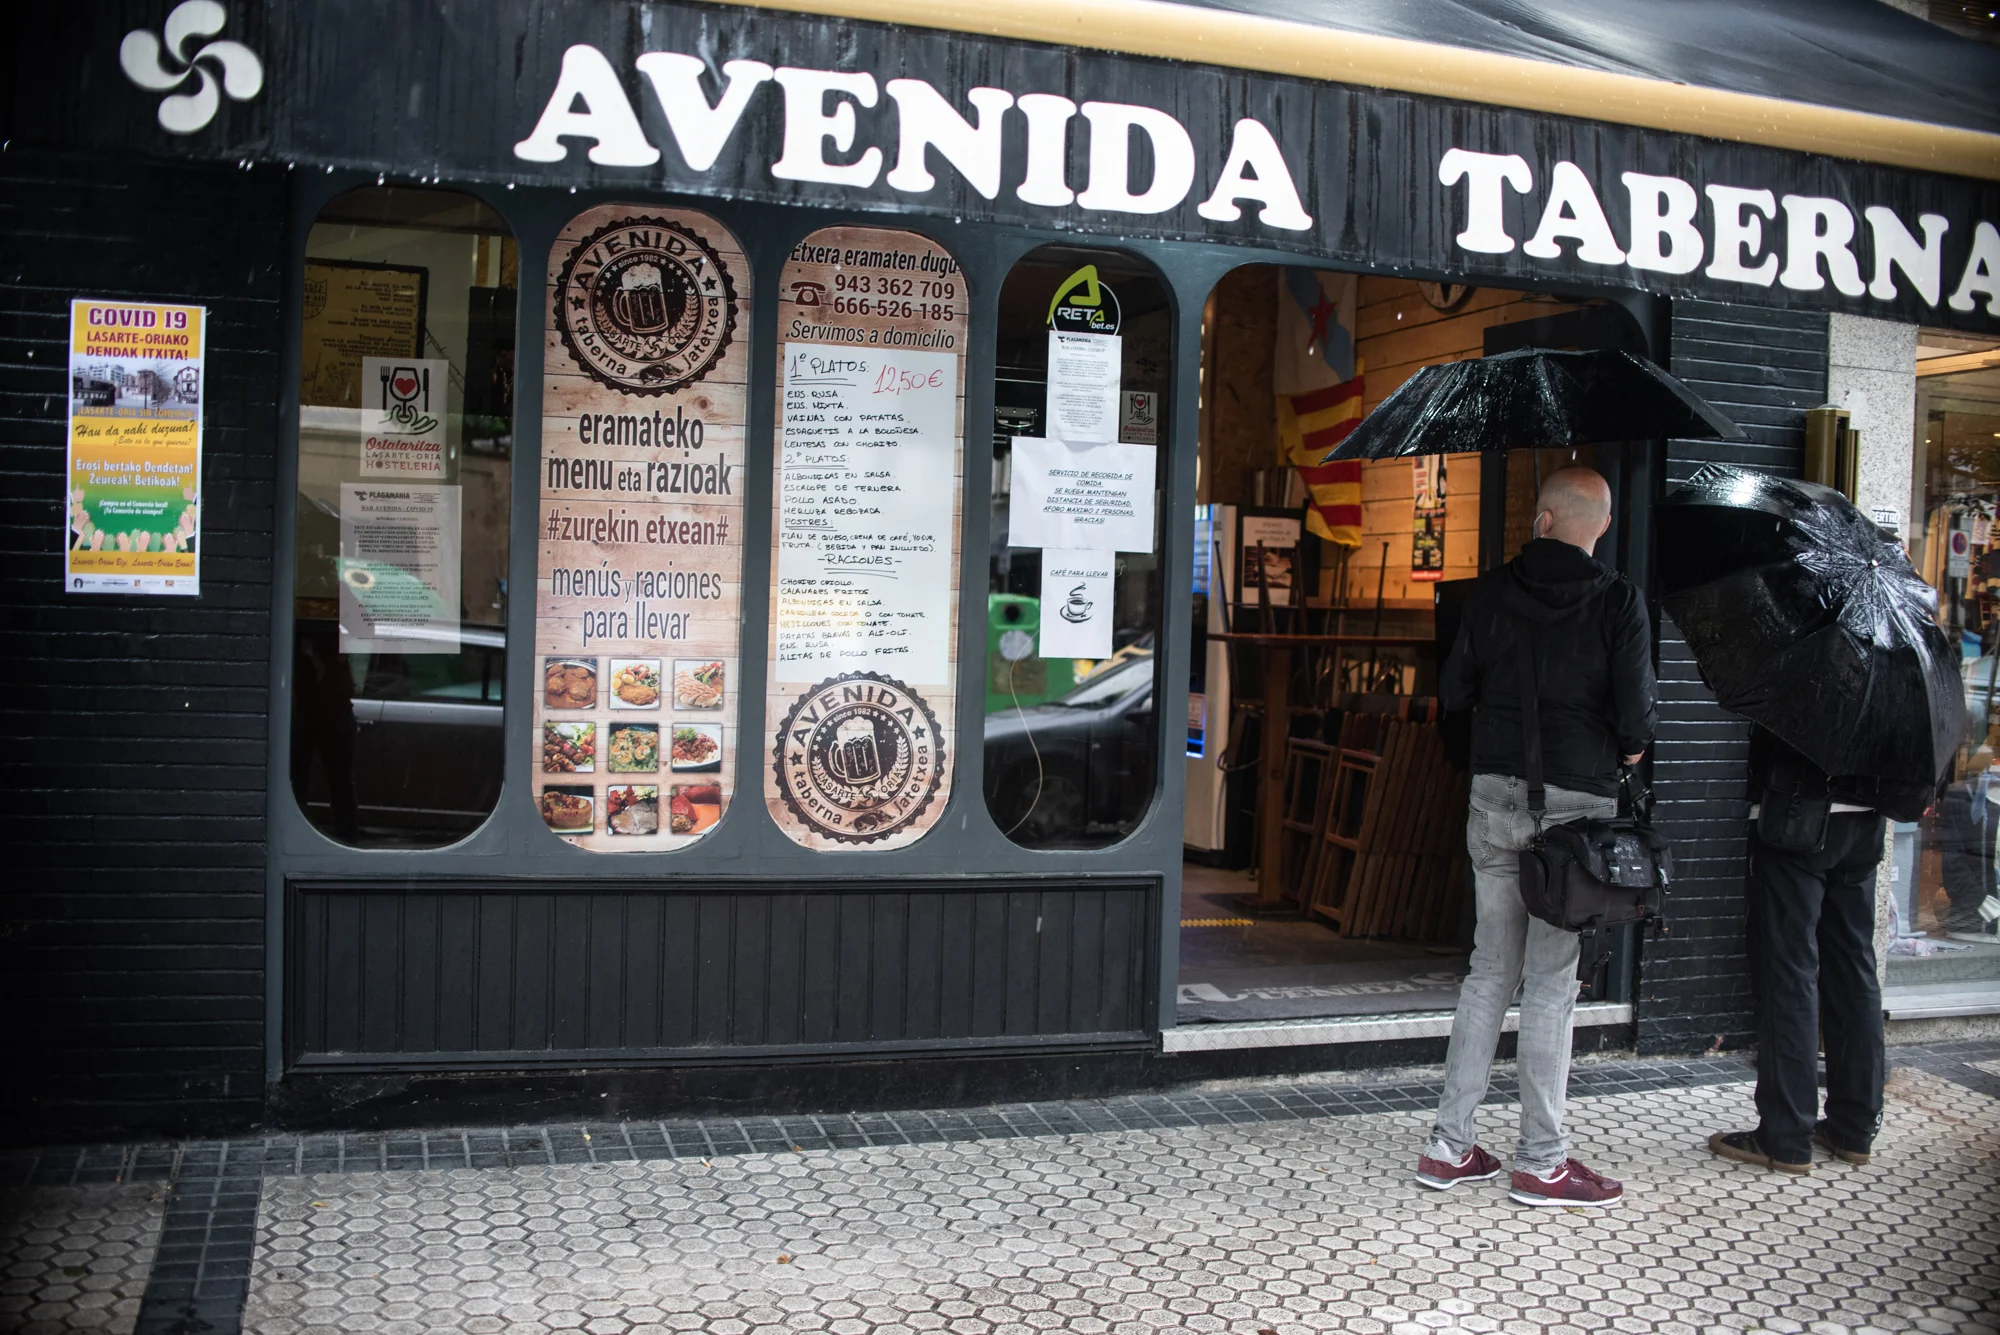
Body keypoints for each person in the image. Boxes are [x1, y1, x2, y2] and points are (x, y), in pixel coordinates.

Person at [1415, 465, 1656, 1208]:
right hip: (1577, 816)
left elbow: (1453, 692)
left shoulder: (1486, 594)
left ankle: (1448, 1147)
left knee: (1490, 969)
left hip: (1494, 794)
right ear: (1601, 525)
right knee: (1552, 983)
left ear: (1541, 519)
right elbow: (1637, 721)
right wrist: (1623, 752)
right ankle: (1542, 1163)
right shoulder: (1619, 600)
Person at [1709, 730, 1934, 1174]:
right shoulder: (1889, 684)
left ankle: (1785, 1137)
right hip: (1867, 816)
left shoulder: (1804, 682)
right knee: (1854, 968)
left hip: (1796, 814)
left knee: (1788, 971)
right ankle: (1854, 1128)